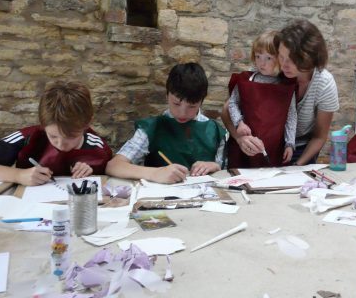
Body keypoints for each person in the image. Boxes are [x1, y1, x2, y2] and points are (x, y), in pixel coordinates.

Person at [223, 20, 339, 166]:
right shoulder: (266, 71)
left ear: (310, 59)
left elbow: (319, 137)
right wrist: (240, 138)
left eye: (291, 60)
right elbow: (227, 110)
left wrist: (296, 166)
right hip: (259, 146)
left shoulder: (324, 83)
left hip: (298, 150)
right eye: (281, 57)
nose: (283, 65)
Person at [106, 63, 227, 184]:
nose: (182, 113)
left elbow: (227, 172)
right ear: (167, 95)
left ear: (201, 101)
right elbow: (114, 166)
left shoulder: (215, 131)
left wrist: (215, 166)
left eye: (192, 106)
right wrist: (155, 173)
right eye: (176, 104)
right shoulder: (152, 128)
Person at [0, 81, 111, 186]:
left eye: (71, 136)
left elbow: (110, 174)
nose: (61, 145)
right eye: (53, 136)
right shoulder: (28, 137)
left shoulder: (97, 146)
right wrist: (18, 175)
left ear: (87, 124)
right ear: (43, 125)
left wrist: (92, 170)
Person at [225, 31, 297, 168]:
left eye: (268, 58)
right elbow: (233, 103)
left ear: (280, 59)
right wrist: (239, 123)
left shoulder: (286, 86)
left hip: (274, 146)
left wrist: (290, 143)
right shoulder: (246, 80)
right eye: (258, 56)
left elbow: (291, 116)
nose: (261, 63)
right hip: (246, 144)